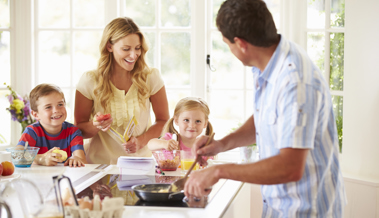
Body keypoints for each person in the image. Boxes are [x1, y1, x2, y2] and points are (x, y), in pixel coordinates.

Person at [184, 0, 347, 217]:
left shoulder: (295, 81)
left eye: (228, 44)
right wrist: (222, 144)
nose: (230, 50)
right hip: (278, 207)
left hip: (307, 210)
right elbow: (267, 115)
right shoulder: (269, 60)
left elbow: (290, 167)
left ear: (241, 44)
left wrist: (219, 171)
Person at [75, 17, 169, 164]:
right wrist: (96, 125)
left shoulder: (151, 77)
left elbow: (163, 120)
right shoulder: (90, 80)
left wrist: (141, 141)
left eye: (137, 48)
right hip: (99, 167)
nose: (133, 55)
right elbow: (77, 130)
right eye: (126, 49)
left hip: (141, 166)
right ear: (109, 46)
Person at [17, 84, 87, 167]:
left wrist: (76, 158)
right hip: (37, 178)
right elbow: (18, 155)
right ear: (36, 115)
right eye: (48, 107)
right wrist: (41, 159)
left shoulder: (73, 132)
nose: (56, 110)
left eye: (60, 104)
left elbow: (82, 160)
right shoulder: (32, 132)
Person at [147, 97, 213, 155]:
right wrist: (164, 144)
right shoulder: (171, 140)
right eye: (186, 120)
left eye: (198, 121)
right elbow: (150, 144)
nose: (192, 126)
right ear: (176, 120)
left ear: (205, 123)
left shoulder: (204, 146)